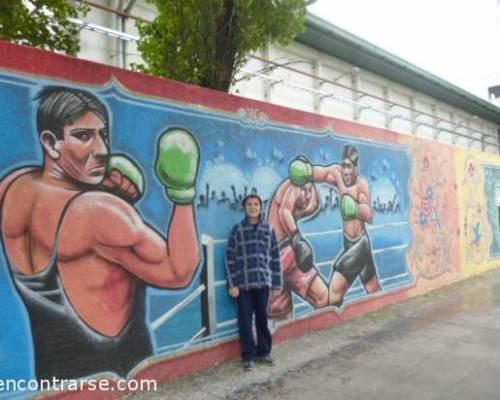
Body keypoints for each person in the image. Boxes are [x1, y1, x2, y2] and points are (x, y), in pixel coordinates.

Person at [0, 86, 201, 379]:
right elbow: (178, 272)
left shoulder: (12, 186)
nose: (103, 151)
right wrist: (182, 193)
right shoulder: (97, 211)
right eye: (84, 136)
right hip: (119, 377)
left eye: (103, 135)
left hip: (52, 377)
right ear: (50, 142)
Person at [302, 145, 382, 307]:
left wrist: (355, 209)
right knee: (373, 288)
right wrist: (305, 172)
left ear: (356, 168)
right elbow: (322, 174)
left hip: (360, 244)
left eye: (349, 166)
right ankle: (387, 309)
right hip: (350, 243)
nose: (345, 171)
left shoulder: (361, 185)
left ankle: (327, 325)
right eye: (343, 165)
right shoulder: (337, 174)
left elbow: (369, 215)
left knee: (334, 295)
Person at [267, 157, 333, 319]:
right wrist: (298, 239)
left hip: (287, 255)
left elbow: (313, 206)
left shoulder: (301, 190)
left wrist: (312, 180)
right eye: (305, 190)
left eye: (309, 190)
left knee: (323, 299)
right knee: (280, 314)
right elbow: (285, 211)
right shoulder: (292, 186)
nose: (307, 195)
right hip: (279, 257)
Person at [225, 194, 282, 370]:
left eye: (256, 204)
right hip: (244, 285)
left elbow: (275, 259)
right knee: (244, 320)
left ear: (260, 207)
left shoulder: (268, 229)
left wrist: (277, 284)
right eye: (249, 204)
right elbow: (229, 258)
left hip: (263, 283)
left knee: (262, 319)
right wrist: (232, 284)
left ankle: (264, 352)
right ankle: (248, 355)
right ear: (245, 208)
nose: (253, 207)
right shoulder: (238, 230)